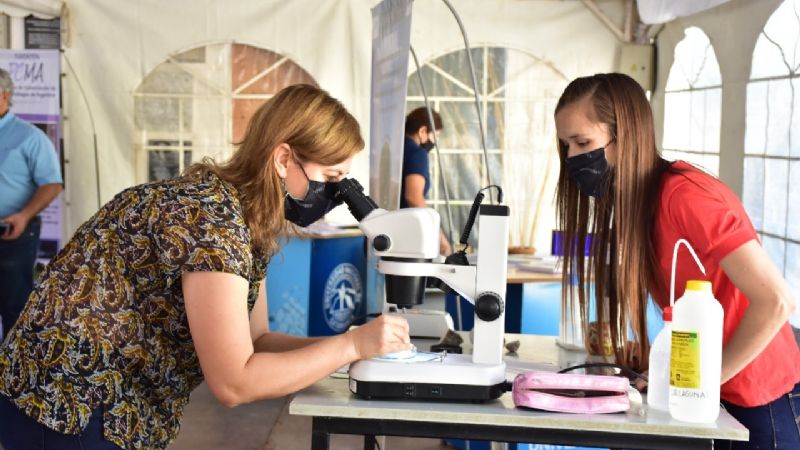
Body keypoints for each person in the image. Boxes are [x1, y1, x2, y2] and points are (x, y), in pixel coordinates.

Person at [0, 84, 412, 450]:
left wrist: (347, 348)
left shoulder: (245, 219)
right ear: (284, 157)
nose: (336, 194)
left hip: (107, 399)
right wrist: (352, 347)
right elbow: (234, 382)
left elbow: (259, 339)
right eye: (331, 176)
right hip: (66, 401)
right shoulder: (210, 219)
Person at [553, 73, 799, 449]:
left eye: (583, 142)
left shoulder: (686, 196)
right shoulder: (638, 205)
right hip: (705, 395)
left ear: (627, 135)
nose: (571, 157)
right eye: (565, 145)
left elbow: (777, 301)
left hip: (754, 397)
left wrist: (704, 383)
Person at [0, 68, 63, 339]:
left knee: (14, 307)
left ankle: (13, 377)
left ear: (4, 96)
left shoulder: (30, 137)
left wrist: (24, 215)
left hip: (12, 232)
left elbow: (52, 183)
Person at [401, 106, 452, 256]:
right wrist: (440, 238)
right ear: (423, 131)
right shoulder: (417, 154)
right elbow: (414, 198)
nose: (434, 143)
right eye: (434, 136)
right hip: (407, 235)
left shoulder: (395, 148)